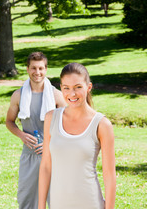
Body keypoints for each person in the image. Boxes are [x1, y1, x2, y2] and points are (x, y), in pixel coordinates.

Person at [38, 62, 116, 209]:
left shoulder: (102, 124)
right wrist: (41, 206)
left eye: (78, 87)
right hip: (58, 204)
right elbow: (46, 167)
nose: (72, 94)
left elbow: (109, 175)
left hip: (90, 203)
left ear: (89, 87)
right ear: (61, 88)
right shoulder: (51, 118)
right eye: (66, 88)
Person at [6, 52, 66, 209]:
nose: (37, 72)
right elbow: (9, 121)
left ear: (46, 69)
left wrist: (50, 141)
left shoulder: (56, 96)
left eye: (40, 68)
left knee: (57, 202)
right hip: (29, 155)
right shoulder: (18, 95)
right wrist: (21, 135)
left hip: (54, 155)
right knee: (26, 201)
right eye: (33, 68)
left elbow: (68, 126)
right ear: (27, 69)